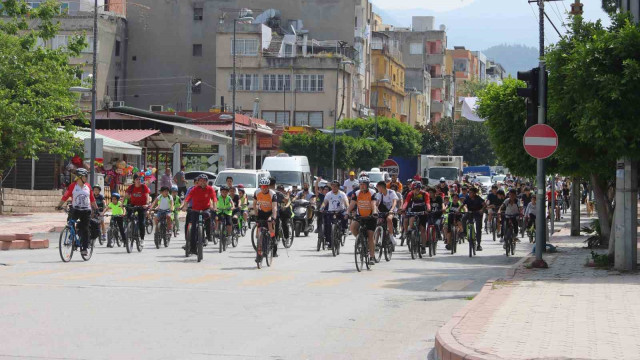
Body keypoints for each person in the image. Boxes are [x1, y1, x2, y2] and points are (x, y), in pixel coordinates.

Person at [56, 168, 98, 257]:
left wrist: (96, 208)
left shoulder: (88, 186)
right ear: (80, 177)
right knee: (71, 223)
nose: (86, 178)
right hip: (75, 209)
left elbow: (92, 198)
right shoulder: (72, 186)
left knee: (85, 229)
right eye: (85, 176)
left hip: (86, 210)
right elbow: (65, 196)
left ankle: (84, 248)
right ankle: (73, 238)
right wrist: (59, 205)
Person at [181, 174, 217, 253]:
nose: (202, 182)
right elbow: (188, 198)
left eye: (204, 181)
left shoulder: (210, 189)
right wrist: (185, 206)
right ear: (198, 182)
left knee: (208, 216)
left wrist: (214, 207)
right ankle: (193, 248)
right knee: (193, 228)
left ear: (207, 182)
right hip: (195, 210)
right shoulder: (194, 189)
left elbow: (214, 198)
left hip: (205, 209)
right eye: (200, 181)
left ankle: (208, 235)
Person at [348, 177, 378, 265]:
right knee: (353, 227)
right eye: (361, 184)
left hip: (371, 217)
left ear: (367, 185)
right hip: (360, 216)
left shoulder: (372, 192)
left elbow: (373, 203)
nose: (362, 186)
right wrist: (347, 212)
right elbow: (352, 204)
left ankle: (372, 257)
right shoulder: (356, 193)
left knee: (370, 236)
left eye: (364, 184)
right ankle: (361, 239)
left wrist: (375, 212)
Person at [402, 181, 431, 254]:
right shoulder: (410, 194)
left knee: (422, 229)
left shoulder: (425, 194)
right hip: (414, 210)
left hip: (423, 211)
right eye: (414, 189)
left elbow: (427, 202)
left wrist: (428, 209)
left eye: (418, 189)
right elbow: (406, 202)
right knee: (411, 222)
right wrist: (403, 208)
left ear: (420, 188)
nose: (416, 190)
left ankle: (423, 246)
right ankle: (411, 234)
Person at [253, 177, 278, 263]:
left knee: (270, 224)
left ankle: (273, 238)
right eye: (262, 187)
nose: (264, 188)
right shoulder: (257, 192)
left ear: (268, 186)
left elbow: (274, 207)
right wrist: (256, 215)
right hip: (261, 212)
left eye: (266, 186)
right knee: (259, 232)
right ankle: (259, 254)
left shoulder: (272, 194)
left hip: (270, 212)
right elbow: (254, 204)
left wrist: (274, 217)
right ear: (260, 186)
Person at [320, 180, 350, 248]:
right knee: (328, 226)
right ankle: (330, 242)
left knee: (345, 216)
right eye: (332, 186)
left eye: (335, 186)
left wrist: (348, 207)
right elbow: (325, 202)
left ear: (338, 187)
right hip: (331, 212)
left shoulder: (342, 194)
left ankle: (344, 229)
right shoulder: (328, 194)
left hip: (340, 211)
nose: (334, 188)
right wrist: (322, 207)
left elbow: (346, 202)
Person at [125, 174, 151, 243]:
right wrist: (122, 203)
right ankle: (128, 231)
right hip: (133, 204)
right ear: (134, 180)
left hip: (142, 206)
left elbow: (147, 196)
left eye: (139, 179)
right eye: (137, 179)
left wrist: (147, 204)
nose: (138, 181)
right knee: (127, 217)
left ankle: (142, 238)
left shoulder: (143, 186)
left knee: (141, 223)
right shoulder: (131, 187)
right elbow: (126, 195)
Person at [375, 181, 398, 248]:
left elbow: (394, 202)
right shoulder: (379, 194)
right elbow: (377, 203)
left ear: (381, 187)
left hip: (391, 211)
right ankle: (376, 243)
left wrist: (392, 210)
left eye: (378, 187)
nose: (377, 189)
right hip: (382, 211)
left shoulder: (391, 192)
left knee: (389, 219)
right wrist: (376, 209)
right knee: (378, 224)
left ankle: (391, 236)